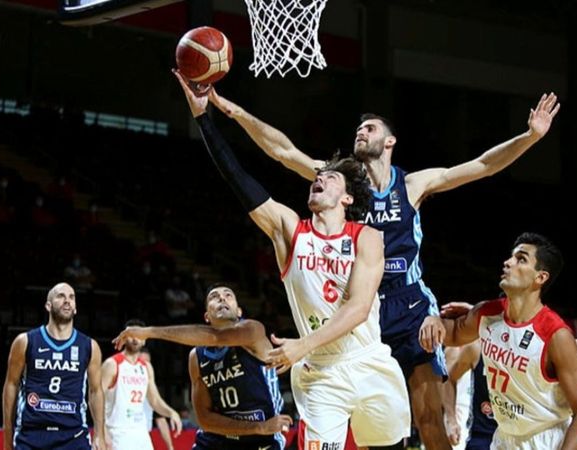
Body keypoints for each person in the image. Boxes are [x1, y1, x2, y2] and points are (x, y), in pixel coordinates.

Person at [207, 88, 560, 450]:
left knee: (428, 416)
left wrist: (529, 137)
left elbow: (482, 166)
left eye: (370, 128)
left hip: (409, 305)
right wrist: (235, 111)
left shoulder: (411, 185)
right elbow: (283, 151)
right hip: (362, 308)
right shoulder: (341, 181)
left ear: (390, 141)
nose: (361, 132)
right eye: (359, 129)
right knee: (368, 427)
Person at [172, 71, 411, 449]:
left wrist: (302, 344)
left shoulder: (367, 238)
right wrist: (204, 118)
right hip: (320, 373)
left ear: (347, 198)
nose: (320, 179)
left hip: (368, 362)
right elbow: (238, 178)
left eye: (331, 178)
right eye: (319, 176)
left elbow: (359, 308)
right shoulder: (290, 231)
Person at [438, 233, 577, 450]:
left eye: (521, 259)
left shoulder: (555, 335)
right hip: (505, 436)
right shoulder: (486, 314)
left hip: (546, 440)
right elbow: (451, 334)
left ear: (540, 277)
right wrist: (429, 317)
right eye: (511, 257)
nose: (508, 262)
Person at [113, 283, 292, 449]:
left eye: (228, 295)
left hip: (262, 439)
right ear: (207, 316)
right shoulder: (196, 357)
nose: (222, 298)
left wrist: (149, 332)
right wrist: (257, 426)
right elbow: (205, 419)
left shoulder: (253, 331)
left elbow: (217, 337)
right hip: (219, 437)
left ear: (239, 311)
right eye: (214, 296)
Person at [2, 282, 105, 450]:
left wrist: (100, 434)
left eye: (71, 297)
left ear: (75, 308)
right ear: (48, 305)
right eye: (61, 296)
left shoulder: (89, 346)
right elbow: (11, 385)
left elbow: (95, 391)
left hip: (73, 436)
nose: (67, 301)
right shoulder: (25, 341)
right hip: (32, 435)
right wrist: (7, 433)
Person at [101, 320, 182, 450]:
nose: (135, 339)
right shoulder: (112, 364)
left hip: (141, 433)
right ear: (124, 337)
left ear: (145, 340)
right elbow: (95, 398)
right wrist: (102, 431)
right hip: (117, 433)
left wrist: (172, 413)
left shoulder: (146, 367)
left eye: (139, 335)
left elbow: (155, 400)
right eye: (131, 335)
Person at [444, 339, 498, 450]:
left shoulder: (529, 353)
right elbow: (448, 380)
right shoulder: (476, 347)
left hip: (519, 436)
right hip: (482, 436)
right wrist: (451, 420)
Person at [139, 347, 178, 450]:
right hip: (122, 434)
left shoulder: (152, 390)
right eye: (142, 362)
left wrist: (170, 447)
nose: (145, 367)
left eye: (148, 363)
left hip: (143, 436)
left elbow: (160, 419)